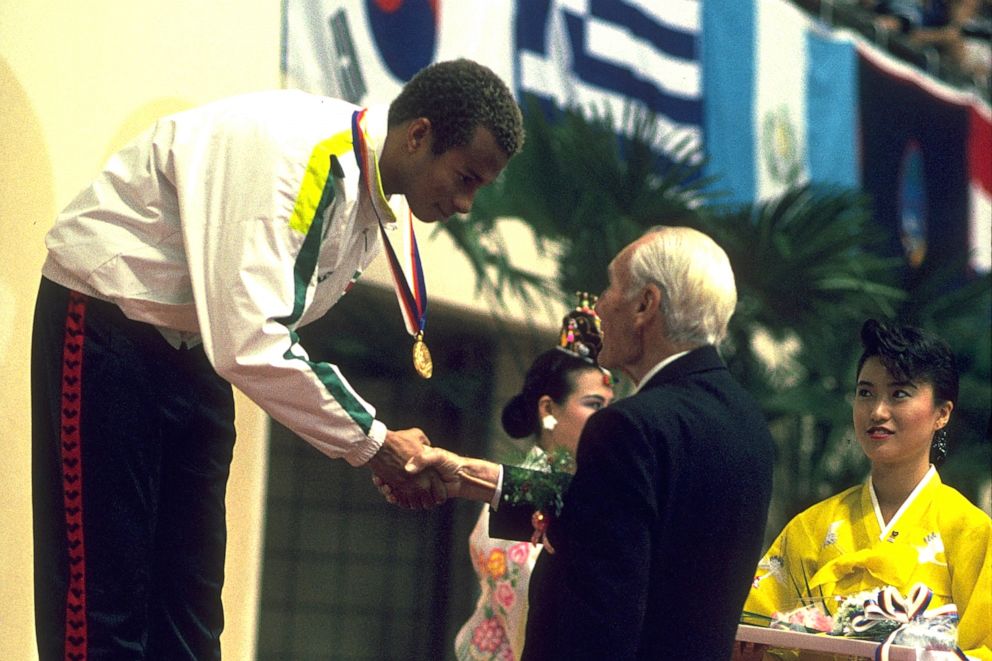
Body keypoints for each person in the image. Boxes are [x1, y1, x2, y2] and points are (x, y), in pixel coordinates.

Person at [31, 58, 524, 660]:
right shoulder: (304, 160)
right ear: (419, 135)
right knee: (104, 599)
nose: (467, 204)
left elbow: (249, 335)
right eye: (466, 177)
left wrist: (372, 441)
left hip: (196, 347)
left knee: (191, 608)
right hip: (108, 317)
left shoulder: (368, 202)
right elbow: (254, 339)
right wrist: (374, 440)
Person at [399, 226, 777, 660]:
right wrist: (479, 477)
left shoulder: (629, 426)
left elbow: (601, 613)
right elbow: (652, 526)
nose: (599, 306)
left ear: (644, 305)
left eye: (612, 287)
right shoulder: (747, 423)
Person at [738, 319, 992, 660]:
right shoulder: (811, 528)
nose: (877, 411)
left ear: (942, 413)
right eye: (865, 392)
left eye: (899, 393)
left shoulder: (971, 533)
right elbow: (755, 630)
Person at [454, 297, 614, 661]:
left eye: (610, 406)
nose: (607, 418)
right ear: (549, 410)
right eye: (594, 404)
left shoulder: (593, 489)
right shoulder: (516, 500)